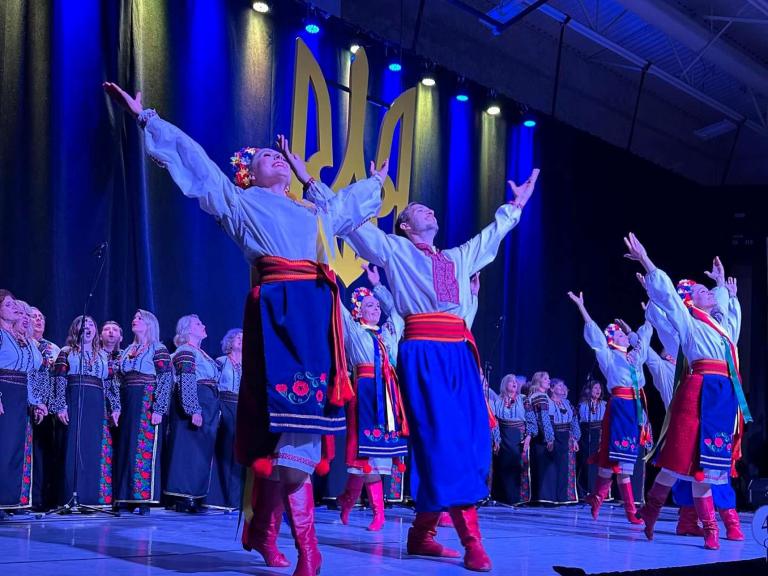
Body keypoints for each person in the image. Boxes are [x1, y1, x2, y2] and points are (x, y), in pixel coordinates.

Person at [104, 81, 386, 575]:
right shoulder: (240, 203)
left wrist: (377, 183)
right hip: (279, 316)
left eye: (274, 157)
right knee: (290, 426)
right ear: (248, 174)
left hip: (317, 316)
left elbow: (345, 207)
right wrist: (147, 117)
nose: (272, 159)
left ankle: (265, 532)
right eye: (261, 158)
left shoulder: (312, 212)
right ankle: (307, 550)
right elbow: (195, 166)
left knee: (300, 431)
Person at [343, 169, 539, 572]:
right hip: (424, 351)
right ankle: (471, 540)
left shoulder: (454, 258)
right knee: (444, 439)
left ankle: (421, 534)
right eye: (419, 208)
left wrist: (516, 206)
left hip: (459, 351)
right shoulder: (394, 249)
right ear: (405, 225)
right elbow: (350, 224)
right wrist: (373, 186)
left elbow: (490, 238)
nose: (429, 209)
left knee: (471, 441)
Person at [624, 234, 750, 550]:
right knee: (683, 461)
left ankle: (655, 511)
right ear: (692, 302)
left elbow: (731, 318)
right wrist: (646, 260)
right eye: (703, 291)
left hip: (722, 394)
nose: (710, 293)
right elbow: (667, 295)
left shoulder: (722, 329)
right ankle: (704, 527)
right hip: (698, 391)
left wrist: (721, 283)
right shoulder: (688, 322)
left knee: (708, 465)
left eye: (710, 290)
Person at [567, 291, 651, 525]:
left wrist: (648, 316)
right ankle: (630, 511)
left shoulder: (634, 358)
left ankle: (597, 498)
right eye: (623, 335)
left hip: (634, 406)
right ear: (614, 339)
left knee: (613, 462)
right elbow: (594, 336)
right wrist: (583, 309)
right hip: (620, 407)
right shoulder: (608, 356)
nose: (627, 336)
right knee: (620, 460)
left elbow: (643, 340)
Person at [336, 264, 408, 531]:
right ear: (359, 312)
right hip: (364, 393)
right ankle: (379, 513)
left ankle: (347, 501)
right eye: (369, 305)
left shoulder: (388, 333)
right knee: (365, 455)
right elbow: (339, 312)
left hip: (388, 394)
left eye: (377, 305)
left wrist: (378, 287)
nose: (376, 308)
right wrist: (332, 280)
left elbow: (400, 311)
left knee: (377, 456)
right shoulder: (355, 332)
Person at [51, 316, 120, 506]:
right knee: (74, 448)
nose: (87, 327)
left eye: (91, 324)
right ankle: (71, 497)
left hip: (97, 405)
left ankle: (92, 498)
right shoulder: (66, 352)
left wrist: (115, 408)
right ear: (76, 329)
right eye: (83, 324)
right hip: (75, 401)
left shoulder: (104, 356)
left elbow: (110, 384)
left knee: (94, 449)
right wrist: (60, 405)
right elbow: (59, 380)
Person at [114, 309, 173, 515]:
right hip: (128, 398)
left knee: (143, 447)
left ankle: (143, 498)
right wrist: (116, 406)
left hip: (147, 398)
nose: (134, 320)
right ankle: (124, 495)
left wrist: (159, 407)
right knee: (126, 446)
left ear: (149, 324)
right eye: (134, 317)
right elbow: (117, 379)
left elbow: (166, 379)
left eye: (139, 318)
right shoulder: (128, 349)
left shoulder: (159, 349)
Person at [165, 315, 221, 512]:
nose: (203, 325)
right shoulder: (186, 351)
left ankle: (196, 494)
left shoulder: (202, 353)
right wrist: (192, 408)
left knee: (200, 451)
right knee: (188, 448)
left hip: (208, 402)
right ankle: (182, 495)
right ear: (187, 329)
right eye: (198, 323)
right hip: (196, 399)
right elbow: (186, 379)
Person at [0, 291, 46, 515]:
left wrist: (37, 401)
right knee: (3, 448)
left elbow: (29, 375)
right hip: (4, 393)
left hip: (19, 396)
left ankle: (9, 500)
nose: (23, 316)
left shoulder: (24, 343)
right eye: (14, 308)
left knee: (15, 450)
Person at [207, 329, 244, 510]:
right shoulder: (221, 361)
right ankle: (219, 498)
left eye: (244, 338)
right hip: (225, 404)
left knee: (239, 453)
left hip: (243, 408)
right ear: (230, 341)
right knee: (224, 450)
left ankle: (236, 499)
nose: (241, 341)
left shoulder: (250, 364)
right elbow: (213, 386)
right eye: (238, 337)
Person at [488, 374, 532, 505]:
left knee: (516, 466)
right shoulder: (497, 401)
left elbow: (531, 420)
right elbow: (494, 422)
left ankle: (516, 499)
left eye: (515, 381)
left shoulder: (524, 400)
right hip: (503, 436)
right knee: (502, 466)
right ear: (504, 384)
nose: (514, 383)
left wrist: (528, 437)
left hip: (519, 437)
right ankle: (501, 497)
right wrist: (496, 439)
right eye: (511, 381)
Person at [548, 379, 580, 504]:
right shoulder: (549, 403)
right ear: (552, 388)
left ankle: (563, 497)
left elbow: (573, 422)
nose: (562, 388)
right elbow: (548, 422)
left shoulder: (567, 403)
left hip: (566, 436)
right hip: (555, 435)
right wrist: (550, 438)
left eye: (563, 386)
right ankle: (553, 497)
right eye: (559, 386)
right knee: (554, 466)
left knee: (565, 467)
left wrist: (575, 438)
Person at [577, 380, 606, 496]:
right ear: (588, 390)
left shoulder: (604, 404)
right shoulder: (583, 405)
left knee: (600, 462)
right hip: (587, 435)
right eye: (595, 388)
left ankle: (599, 491)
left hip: (600, 434)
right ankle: (587, 490)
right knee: (588, 461)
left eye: (599, 388)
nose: (598, 390)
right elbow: (581, 421)